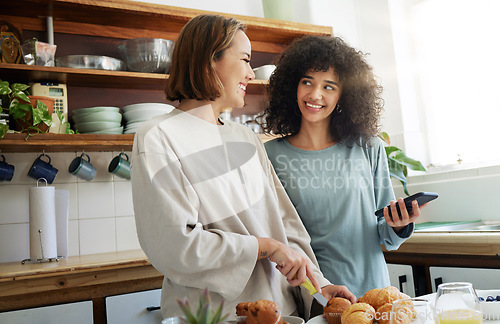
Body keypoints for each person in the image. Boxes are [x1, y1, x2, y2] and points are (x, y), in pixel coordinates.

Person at [130, 15, 355, 321]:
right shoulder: (158, 136)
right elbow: (175, 245)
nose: (251, 73)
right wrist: (264, 247)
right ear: (211, 61)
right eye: (245, 59)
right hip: (214, 314)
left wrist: (318, 288)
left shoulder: (245, 139)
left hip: (280, 312)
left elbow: (287, 229)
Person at [263, 35, 423, 299]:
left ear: (343, 96)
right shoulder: (271, 156)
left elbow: (386, 233)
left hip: (374, 292)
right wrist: (316, 291)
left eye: (329, 86)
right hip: (316, 294)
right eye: (307, 82)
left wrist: (399, 225)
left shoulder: (369, 147)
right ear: (293, 86)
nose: (315, 94)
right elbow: (279, 238)